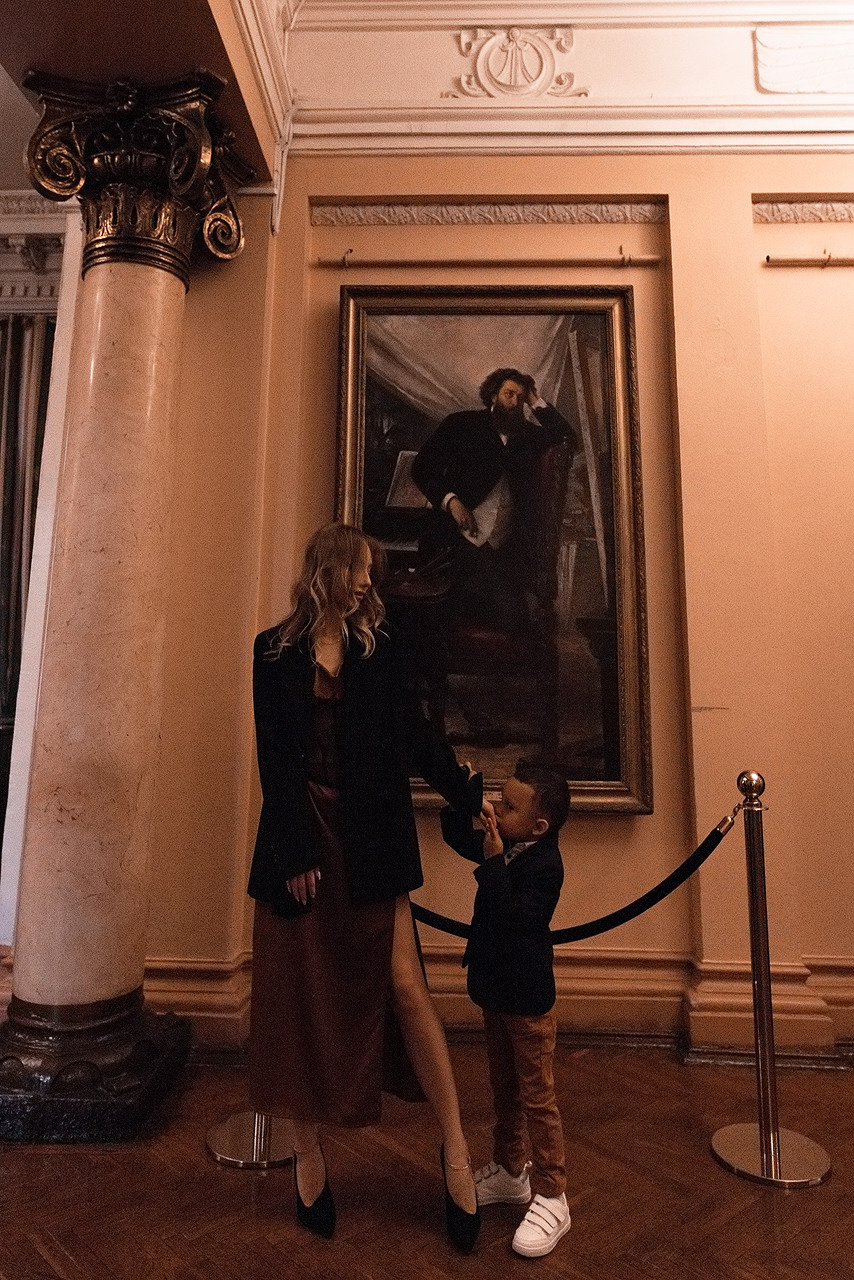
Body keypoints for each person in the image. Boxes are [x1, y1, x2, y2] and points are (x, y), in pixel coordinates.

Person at [247, 522, 482, 1251]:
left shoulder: (382, 651)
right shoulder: (272, 650)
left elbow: (420, 736)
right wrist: (295, 847)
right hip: (299, 838)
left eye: (371, 575)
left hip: (370, 839)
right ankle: (308, 1155)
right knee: (296, 1001)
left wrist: (464, 791)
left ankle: (456, 1150)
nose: (368, 584)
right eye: (360, 571)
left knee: (408, 991)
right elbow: (274, 758)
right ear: (330, 567)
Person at [440, 759, 571, 1258]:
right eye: (499, 796)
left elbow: (515, 921)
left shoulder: (545, 866)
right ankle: (512, 1170)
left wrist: (494, 863)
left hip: (527, 1000)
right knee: (503, 1087)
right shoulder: (510, 845)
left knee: (538, 1097)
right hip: (495, 990)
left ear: (539, 826)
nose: (497, 807)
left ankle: (554, 1194)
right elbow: (455, 835)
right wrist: (464, 795)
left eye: (509, 805)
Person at [411, 368, 576, 634]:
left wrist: (536, 400)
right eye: (508, 394)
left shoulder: (527, 435)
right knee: (454, 610)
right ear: (492, 396)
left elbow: (567, 435)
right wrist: (451, 501)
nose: (514, 403)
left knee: (514, 617)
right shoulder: (461, 424)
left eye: (520, 398)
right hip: (456, 545)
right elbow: (422, 467)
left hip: (504, 552)